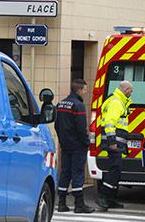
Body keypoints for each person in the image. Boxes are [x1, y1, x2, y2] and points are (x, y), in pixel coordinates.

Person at [55, 79, 94, 213]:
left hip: (65, 145)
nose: (85, 92)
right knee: (77, 173)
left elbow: (57, 125)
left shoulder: (60, 104)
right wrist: (86, 142)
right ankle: (79, 204)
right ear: (79, 91)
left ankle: (61, 203)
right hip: (77, 145)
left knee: (65, 172)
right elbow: (81, 128)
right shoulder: (78, 105)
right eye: (84, 90)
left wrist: (62, 140)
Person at [96, 80, 133, 211]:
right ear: (126, 90)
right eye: (131, 91)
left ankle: (110, 198)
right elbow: (110, 123)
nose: (131, 93)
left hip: (116, 142)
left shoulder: (119, 101)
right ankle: (103, 196)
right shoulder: (116, 102)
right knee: (115, 168)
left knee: (116, 169)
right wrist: (112, 142)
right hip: (113, 142)